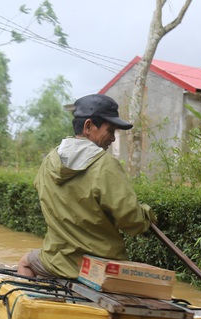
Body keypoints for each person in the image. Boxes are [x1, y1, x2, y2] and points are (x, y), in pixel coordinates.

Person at [18, 94, 156, 279]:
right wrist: (147, 215)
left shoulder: (49, 161)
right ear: (89, 126)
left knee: (25, 262)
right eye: (110, 130)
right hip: (98, 268)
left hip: (56, 260)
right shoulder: (105, 165)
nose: (113, 139)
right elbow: (132, 221)